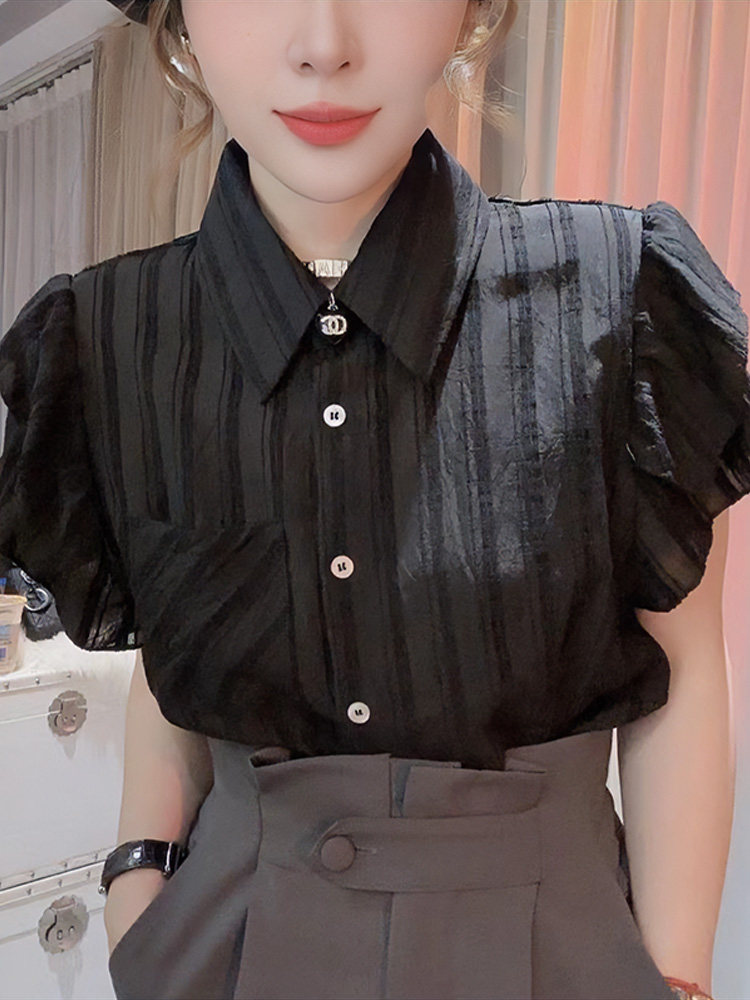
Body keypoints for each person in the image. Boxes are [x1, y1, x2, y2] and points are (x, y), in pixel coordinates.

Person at [0, 1, 747, 998]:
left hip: (552, 948)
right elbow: (166, 656)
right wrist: (137, 884)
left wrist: (679, 978)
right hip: (226, 942)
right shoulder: (111, 338)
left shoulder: (619, 296)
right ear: (180, 20)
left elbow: (682, 671)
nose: (324, 45)